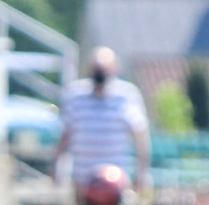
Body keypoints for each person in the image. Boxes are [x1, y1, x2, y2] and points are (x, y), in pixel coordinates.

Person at [55, 47, 150, 194]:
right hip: (82, 180)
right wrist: (57, 165)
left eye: (103, 69)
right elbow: (66, 134)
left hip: (115, 180)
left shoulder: (126, 95)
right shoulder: (76, 94)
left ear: (115, 69)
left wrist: (141, 172)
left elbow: (140, 136)